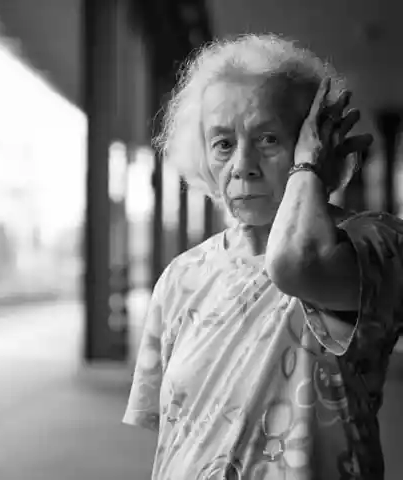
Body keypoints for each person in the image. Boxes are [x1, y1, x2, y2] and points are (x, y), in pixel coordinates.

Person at [123, 33, 403, 479]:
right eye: (223, 144)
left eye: (269, 139)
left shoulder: (376, 244)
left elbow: (296, 264)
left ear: (317, 142)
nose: (242, 165)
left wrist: (308, 171)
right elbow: (173, 440)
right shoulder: (182, 277)